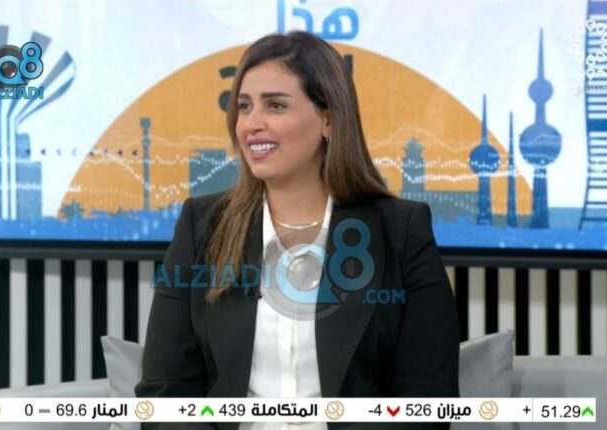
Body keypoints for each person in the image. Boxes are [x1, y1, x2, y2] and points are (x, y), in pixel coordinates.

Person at [135, 31, 460, 430]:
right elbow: (165, 392)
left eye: (275, 105)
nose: (251, 124)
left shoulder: (400, 231)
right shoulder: (201, 226)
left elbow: (426, 401)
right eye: (244, 106)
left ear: (328, 119)